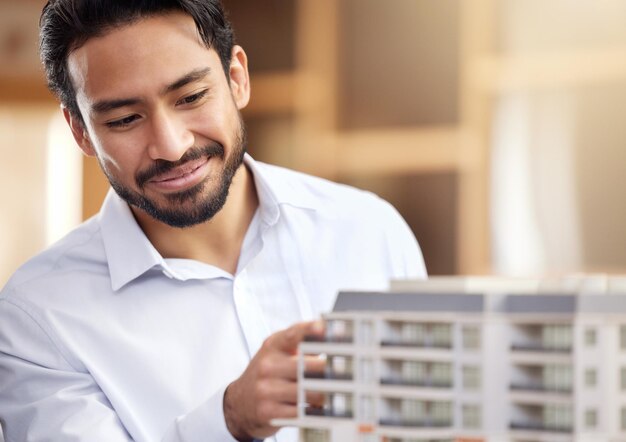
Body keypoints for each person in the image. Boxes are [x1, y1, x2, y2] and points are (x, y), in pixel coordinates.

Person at [0, 1, 426, 441]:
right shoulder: (37, 318)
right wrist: (228, 422)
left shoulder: (370, 230)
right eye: (125, 119)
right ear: (81, 132)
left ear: (237, 78)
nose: (170, 145)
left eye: (191, 97)